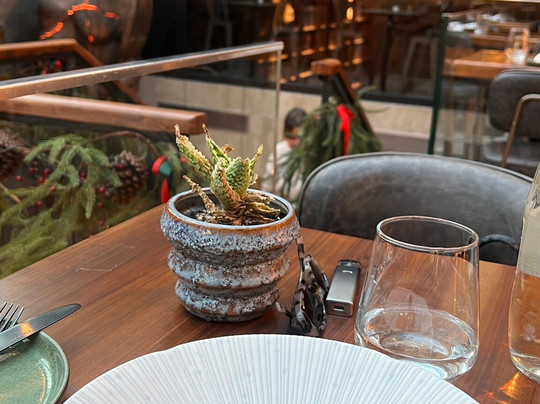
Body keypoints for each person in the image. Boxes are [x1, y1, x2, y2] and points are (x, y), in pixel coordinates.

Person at [263, 108, 306, 202]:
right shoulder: (279, 151)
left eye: (300, 137)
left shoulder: (309, 154)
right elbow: (268, 184)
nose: (296, 142)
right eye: (292, 137)